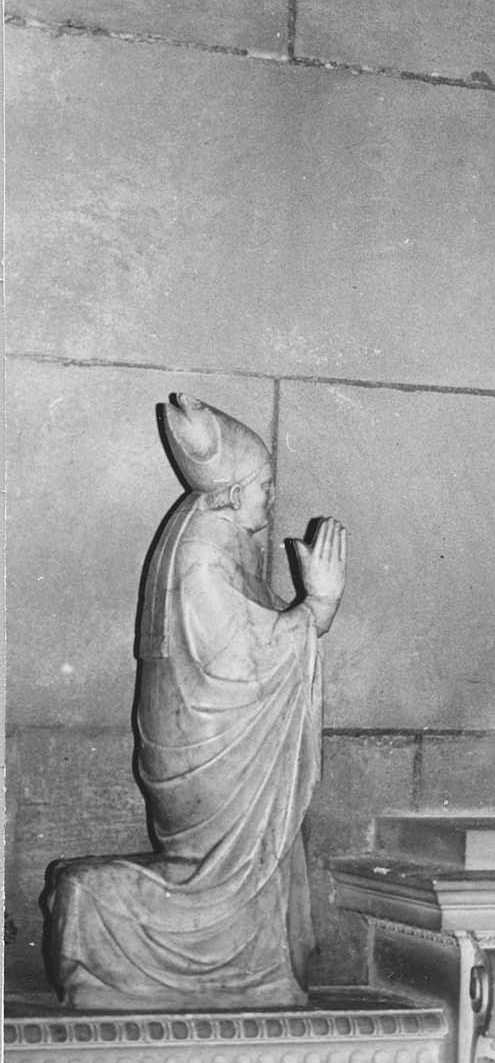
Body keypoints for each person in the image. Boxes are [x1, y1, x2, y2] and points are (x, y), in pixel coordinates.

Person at [44, 395, 347, 1010]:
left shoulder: (214, 539)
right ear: (231, 494)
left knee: (248, 868)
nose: (269, 495)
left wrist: (309, 615)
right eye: (263, 485)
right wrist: (315, 609)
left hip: (216, 750)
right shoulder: (203, 554)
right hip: (212, 752)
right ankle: (106, 925)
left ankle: (244, 971)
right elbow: (234, 667)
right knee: (227, 874)